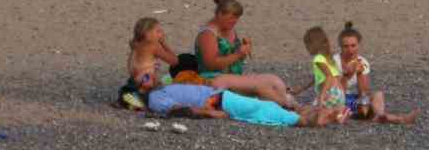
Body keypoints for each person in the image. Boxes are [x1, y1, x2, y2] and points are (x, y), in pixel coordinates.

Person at [194, 0, 298, 109]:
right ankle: (288, 106)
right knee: (261, 86)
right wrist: (238, 54)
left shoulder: (229, 28)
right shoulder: (208, 34)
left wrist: (244, 51)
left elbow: (234, 59)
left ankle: (285, 101)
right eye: (230, 19)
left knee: (273, 81)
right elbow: (211, 64)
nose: (233, 23)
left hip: (233, 77)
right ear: (219, 14)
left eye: (235, 20)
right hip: (214, 78)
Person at [333, 22, 419, 125]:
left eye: (353, 46)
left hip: (351, 100)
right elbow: (335, 94)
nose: (350, 50)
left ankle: (380, 115)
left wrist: (360, 74)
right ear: (340, 47)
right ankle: (397, 119)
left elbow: (363, 94)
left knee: (378, 95)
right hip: (334, 101)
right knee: (343, 108)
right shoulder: (334, 62)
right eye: (346, 46)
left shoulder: (362, 62)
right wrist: (347, 76)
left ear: (358, 45)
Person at [145, 83, 344, 128]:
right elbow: (180, 111)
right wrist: (215, 114)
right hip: (222, 101)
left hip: (223, 98)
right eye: (144, 75)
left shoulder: (163, 87)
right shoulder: (155, 97)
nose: (152, 71)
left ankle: (320, 113)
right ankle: (318, 118)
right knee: (268, 111)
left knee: (268, 108)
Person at [303, 26, 346, 111]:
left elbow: (329, 77)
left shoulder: (318, 58)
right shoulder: (329, 59)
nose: (306, 48)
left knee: (309, 111)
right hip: (340, 94)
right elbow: (336, 77)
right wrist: (301, 89)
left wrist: (321, 96)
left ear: (314, 44)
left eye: (307, 45)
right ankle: (339, 114)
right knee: (329, 110)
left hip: (329, 93)